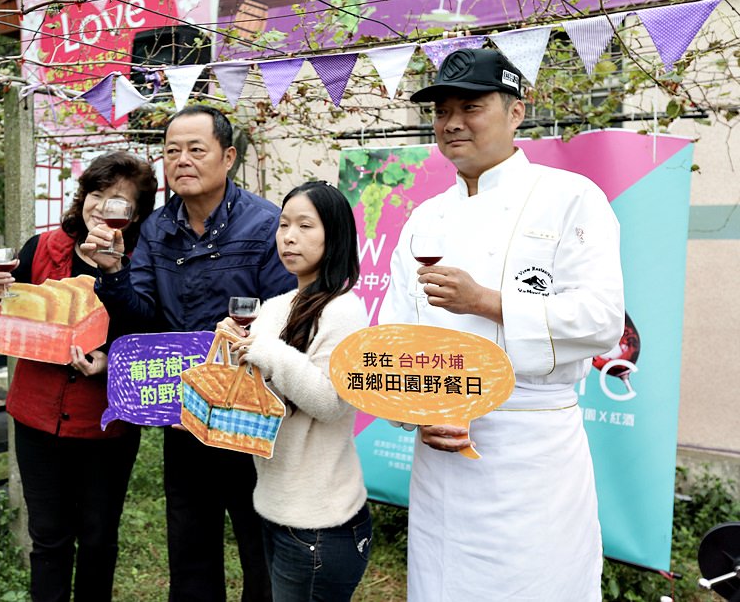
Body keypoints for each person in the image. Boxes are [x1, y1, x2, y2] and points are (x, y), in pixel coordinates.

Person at [378, 48, 624, 601]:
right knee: (439, 584)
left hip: (529, 452)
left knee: (533, 584)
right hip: (440, 453)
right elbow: (396, 336)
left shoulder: (570, 199)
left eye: (471, 106)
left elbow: (603, 319)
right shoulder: (425, 217)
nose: (452, 123)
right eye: (441, 111)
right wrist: (414, 413)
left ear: (516, 112)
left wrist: (489, 301)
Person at [82, 105, 297, 602]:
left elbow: (284, 321)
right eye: (171, 151)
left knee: (259, 544)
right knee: (190, 545)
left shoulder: (266, 225)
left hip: (249, 416)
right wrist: (113, 273)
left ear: (228, 157)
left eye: (196, 149)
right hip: (184, 414)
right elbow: (140, 318)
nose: (182, 160)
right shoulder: (155, 230)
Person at [0, 151, 158, 602]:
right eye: (96, 194)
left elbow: (144, 329)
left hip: (107, 424)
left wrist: (114, 273)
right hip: (37, 419)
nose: (103, 207)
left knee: (98, 538)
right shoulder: (42, 249)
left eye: (119, 201)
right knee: (48, 538)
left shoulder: (142, 261)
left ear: (136, 214)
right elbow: (4, 318)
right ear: (83, 197)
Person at [217, 181, 372, 602]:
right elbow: (255, 393)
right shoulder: (275, 306)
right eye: (284, 224)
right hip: (273, 505)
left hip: (321, 520)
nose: (288, 236)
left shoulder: (343, 310)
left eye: (305, 225)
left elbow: (330, 402)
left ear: (335, 235)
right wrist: (234, 349)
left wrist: (266, 349)